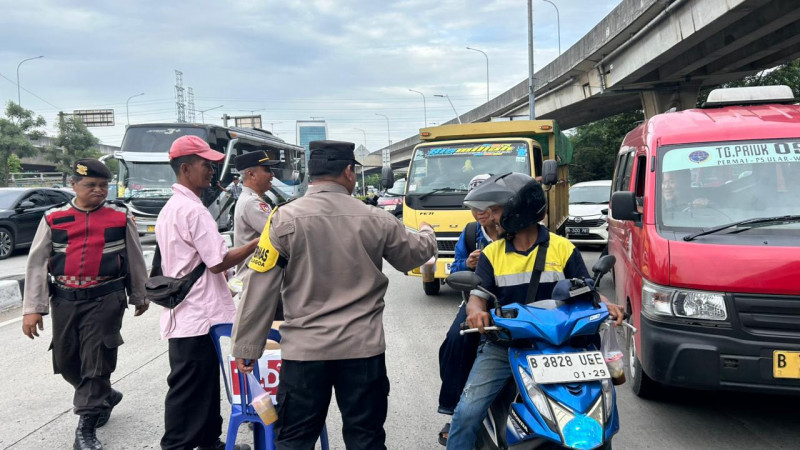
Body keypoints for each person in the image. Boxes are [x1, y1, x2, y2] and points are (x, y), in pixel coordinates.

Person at [231, 140, 437, 450]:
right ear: (349, 172)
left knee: (295, 440)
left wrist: (247, 345)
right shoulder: (376, 218)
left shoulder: (282, 220)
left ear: (311, 175)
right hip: (362, 353)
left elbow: (260, 286)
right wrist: (427, 232)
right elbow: (413, 255)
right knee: (365, 438)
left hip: (303, 353)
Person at [446, 173, 625, 449]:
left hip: (561, 345)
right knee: (467, 413)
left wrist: (606, 303)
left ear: (517, 211)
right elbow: (477, 298)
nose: (491, 217)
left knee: (595, 410)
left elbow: (586, 289)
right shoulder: (492, 254)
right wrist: (476, 312)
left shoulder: (562, 248)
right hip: (505, 345)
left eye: (496, 210)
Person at [21, 159, 149, 450]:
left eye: (103, 186)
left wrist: (139, 295)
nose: (98, 191)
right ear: (73, 186)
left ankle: (86, 429)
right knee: (66, 362)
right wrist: (33, 308)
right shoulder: (54, 218)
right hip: (65, 299)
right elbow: (37, 264)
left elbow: (135, 258)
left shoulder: (119, 216)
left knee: (96, 361)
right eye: (90, 185)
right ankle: (105, 394)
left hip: (106, 298)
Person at [157, 135, 258, 450]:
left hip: (189, 311)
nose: (213, 170)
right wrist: (258, 242)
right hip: (197, 312)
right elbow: (218, 262)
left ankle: (208, 441)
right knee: (188, 387)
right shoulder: (193, 210)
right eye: (206, 164)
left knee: (202, 384)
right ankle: (176, 445)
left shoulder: (173, 207)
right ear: (186, 168)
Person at [437, 173, 497, 445]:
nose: (479, 212)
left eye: (485, 205)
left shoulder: (520, 230)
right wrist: (467, 265)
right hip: (477, 298)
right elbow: (455, 267)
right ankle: (453, 410)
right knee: (454, 343)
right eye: (473, 206)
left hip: (518, 301)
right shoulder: (471, 233)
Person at [232, 150, 279, 273]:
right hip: (255, 276)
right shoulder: (252, 202)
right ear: (251, 174)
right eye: (267, 170)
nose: (272, 175)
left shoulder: (249, 199)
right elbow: (280, 234)